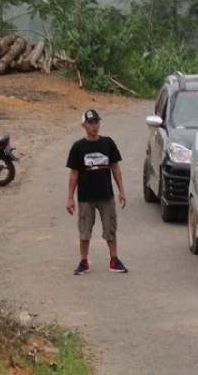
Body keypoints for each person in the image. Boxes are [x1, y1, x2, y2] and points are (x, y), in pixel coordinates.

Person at [66, 109, 128, 275]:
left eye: (96, 122)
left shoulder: (107, 143)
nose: (94, 126)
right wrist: (70, 198)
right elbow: (74, 174)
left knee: (110, 228)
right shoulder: (78, 147)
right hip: (86, 197)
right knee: (85, 230)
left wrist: (121, 190)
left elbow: (115, 167)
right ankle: (83, 261)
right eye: (90, 123)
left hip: (105, 195)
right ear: (83, 126)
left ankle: (114, 260)